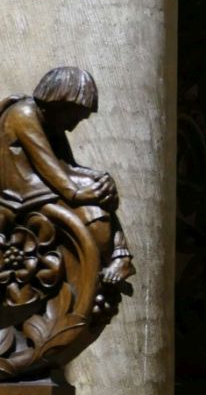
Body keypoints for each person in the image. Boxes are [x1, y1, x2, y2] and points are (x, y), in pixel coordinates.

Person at [0, 67, 132, 284]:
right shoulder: (23, 114)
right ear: (60, 102)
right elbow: (47, 165)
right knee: (92, 198)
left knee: (98, 184)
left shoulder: (48, 121)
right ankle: (114, 257)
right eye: (74, 117)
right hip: (19, 192)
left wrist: (101, 179)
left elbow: (67, 165)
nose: (72, 127)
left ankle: (120, 256)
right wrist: (77, 193)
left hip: (38, 187)